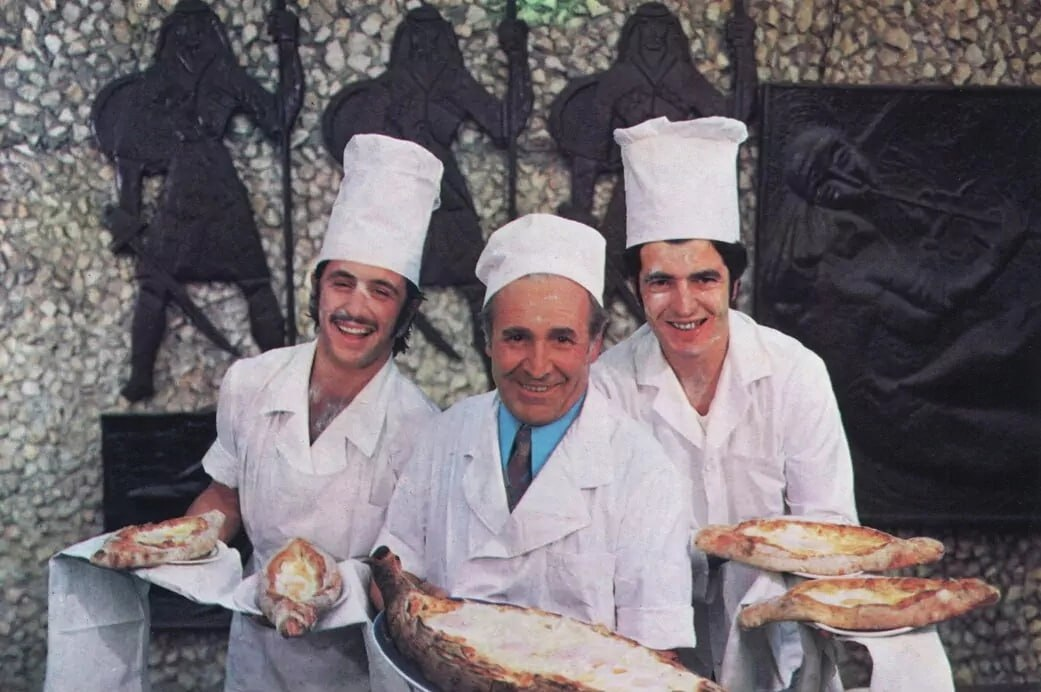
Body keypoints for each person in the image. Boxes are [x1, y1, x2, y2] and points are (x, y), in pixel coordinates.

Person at [590, 116, 858, 690]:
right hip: (651, 651)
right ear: (636, 288)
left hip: (781, 648)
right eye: (661, 281)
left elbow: (832, 528)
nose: (684, 304)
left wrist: (757, 579)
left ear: (733, 284)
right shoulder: (605, 388)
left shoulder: (795, 374)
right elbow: (603, 544)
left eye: (704, 279)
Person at [185, 134, 444, 692]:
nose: (355, 307)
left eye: (381, 291)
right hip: (254, 660)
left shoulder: (422, 430)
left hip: (356, 671)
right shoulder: (251, 383)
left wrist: (341, 586)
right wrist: (184, 541)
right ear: (318, 289)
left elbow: (407, 574)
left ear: (405, 313)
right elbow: (224, 496)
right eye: (342, 282)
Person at [373, 213, 695, 654]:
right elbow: (391, 573)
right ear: (486, 339)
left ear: (595, 343)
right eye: (517, 337)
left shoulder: (645, 473)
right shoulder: (443, 438)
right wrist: (424, 605)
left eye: (561, 339)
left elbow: (658, 656)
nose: (538, 365)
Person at [97, 0, 303, 401]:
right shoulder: (155, 82)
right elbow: (130, 149)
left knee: (257, 282)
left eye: (199, 29)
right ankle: (141, 377)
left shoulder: (225, 75)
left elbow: (278, 117)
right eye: (183, 30)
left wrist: (288, 47)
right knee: (154, 285)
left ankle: (282, 374)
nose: (192, 38)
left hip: (220, 185)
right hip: (181, 189)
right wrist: (129, 210)